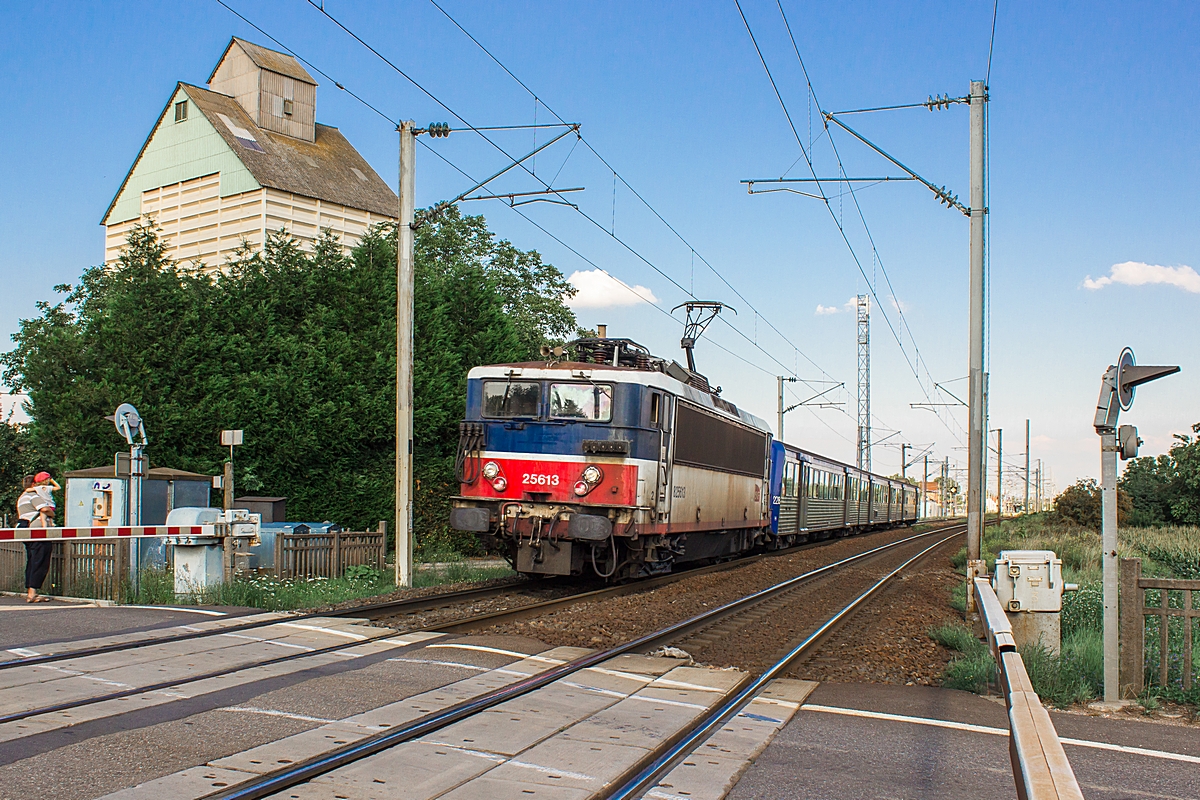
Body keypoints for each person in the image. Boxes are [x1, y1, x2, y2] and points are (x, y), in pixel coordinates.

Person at [16, 470, 58, 602]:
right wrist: (52, 514)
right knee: (40, 560)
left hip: (24, 528)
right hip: (37, 530)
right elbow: (44, 509)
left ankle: (30, 590)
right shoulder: (33, 495)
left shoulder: (21, 497)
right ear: (34, 484)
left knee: (32, 559)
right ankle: (33, 592)